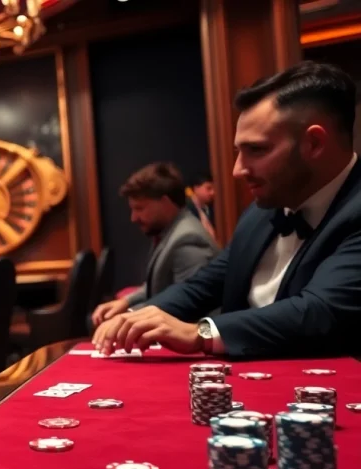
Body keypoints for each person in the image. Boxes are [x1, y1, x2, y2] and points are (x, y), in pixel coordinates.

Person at [93, 61, 361, 358]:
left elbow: (320, 311)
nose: (237, 170)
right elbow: (204, 285)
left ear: (314, 143)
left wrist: (200, 333)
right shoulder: (260, 213)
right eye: (238, 152)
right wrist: (139, 316)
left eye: (256, 150)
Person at [91, 162, 218, 326]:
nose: (133, 218)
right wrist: (125, 302)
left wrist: (128, 317)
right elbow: (159, 287)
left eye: (140, 208)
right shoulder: (169, 231)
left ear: (165, 202)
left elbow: (187, 305)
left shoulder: (188, 239)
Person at [186, 173, 218, 240]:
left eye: (214, 189)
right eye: (209, 188)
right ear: (196, 188)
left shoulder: (208, 208)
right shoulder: (187, 209)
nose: (213, 192)